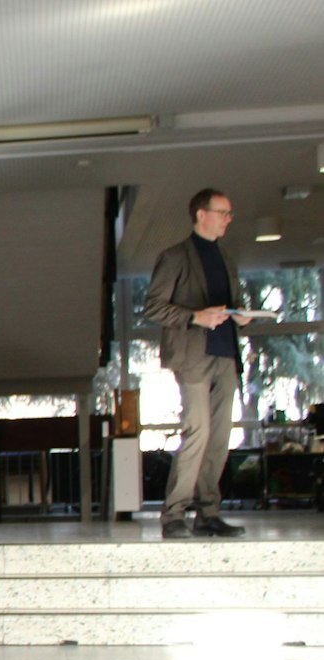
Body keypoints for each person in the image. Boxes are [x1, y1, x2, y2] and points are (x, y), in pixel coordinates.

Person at [143, 188, 248, 539]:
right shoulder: (174, 257)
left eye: (229, 213)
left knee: (219, 437)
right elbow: (154, 307)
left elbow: (232, 303)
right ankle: (174, 515)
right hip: (192, 357)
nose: (228, 219)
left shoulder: (226, 259)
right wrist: (195, 317)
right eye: (223, 212)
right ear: (201, 214)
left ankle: (208, 512)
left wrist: (241, 315)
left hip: (226, 355)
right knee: (198, 431)